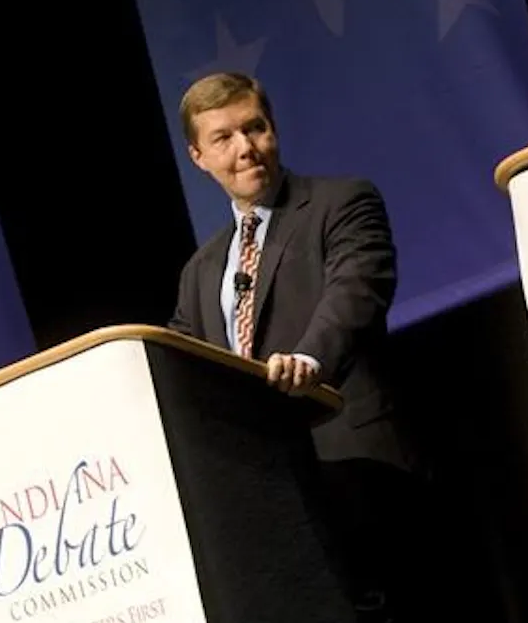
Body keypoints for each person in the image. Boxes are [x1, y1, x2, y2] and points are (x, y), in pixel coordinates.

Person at [167, 72, 426, 622]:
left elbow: (357, 290)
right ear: (198, 156)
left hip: (353, 468)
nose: (246, 149)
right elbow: (180, 367)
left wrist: (310, 361)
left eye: (255, 128)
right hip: (266, 501)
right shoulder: (200, 271)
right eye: (224, 138)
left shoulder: (342, 202)